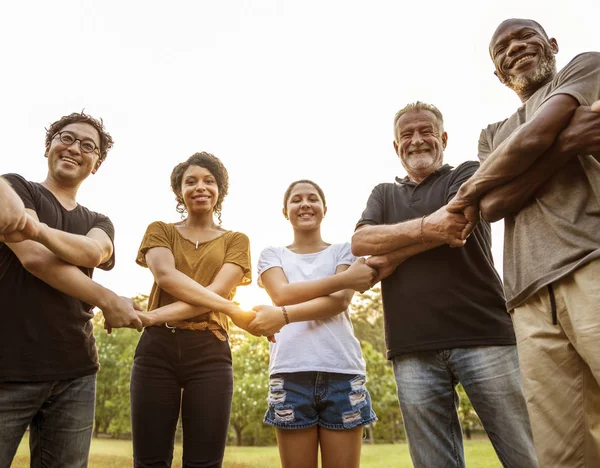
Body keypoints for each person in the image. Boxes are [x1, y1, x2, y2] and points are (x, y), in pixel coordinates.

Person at [447, 18, 600, 467]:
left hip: (590, 262)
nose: (514, 48)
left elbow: (533, 137)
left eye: (524, 37)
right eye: (502, 48)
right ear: (498, 73)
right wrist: (569, 141)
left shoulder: (583, 69)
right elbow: (495, 205)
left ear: (550, 43)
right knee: (562, 448)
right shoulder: (491, 134)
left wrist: (471, 189)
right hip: (526, 294)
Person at [352, 102, 538, 468]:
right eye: (407, 135)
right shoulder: (382, 194)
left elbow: (455, 223)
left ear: (444, 138)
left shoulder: (467, 174)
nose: (417, 140)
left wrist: (395, 252)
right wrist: (425, 230)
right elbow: (360, 242)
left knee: (525, 454)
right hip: (412, 346)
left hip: (485, 335)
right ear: (396, 146)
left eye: (426, 132)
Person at [0, 112, 142, 467]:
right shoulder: (14, 188)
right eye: (66, 138)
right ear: (49, 145)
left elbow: (95, 251)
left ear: (96, 164)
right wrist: (108, 299)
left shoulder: (98, 221)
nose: (75, 148)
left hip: (75, 373)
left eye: (88, 145)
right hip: (7, 367)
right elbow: (34, 259)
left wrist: (36, 229)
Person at [132, 152, 256, 468]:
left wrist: (151, 316)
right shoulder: (160, 229)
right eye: (191, 181)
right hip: (156, 350)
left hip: (210, 350)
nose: (200, 187)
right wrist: (231, 309)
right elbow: (166, 277)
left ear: (220, 191)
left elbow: (216, 292)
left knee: (205, 462)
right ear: (179, 192)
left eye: (209, 181)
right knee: (150, 461)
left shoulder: (236, 240)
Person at [247, 179, 377, 468]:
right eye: (296, 199)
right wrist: (344, 279)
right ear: (285, 211)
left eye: (312, 198)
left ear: (324, 208)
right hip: (291, 374)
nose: (305, 204)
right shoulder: (273, 254)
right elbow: (282, 293)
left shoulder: (345, 250)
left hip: (342, 373)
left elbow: (339, 302)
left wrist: (282, 315)